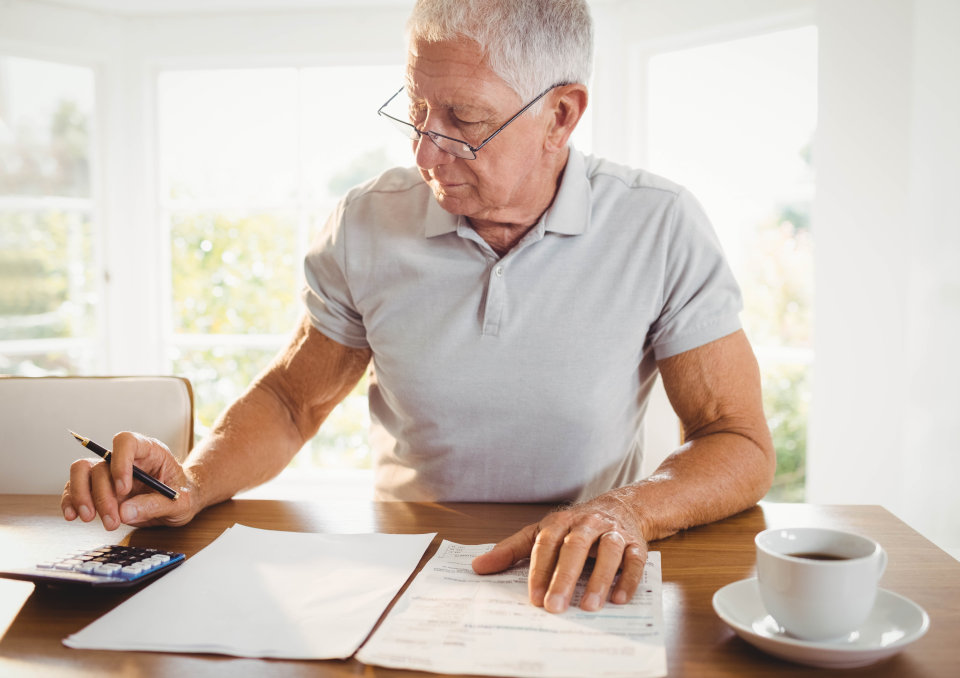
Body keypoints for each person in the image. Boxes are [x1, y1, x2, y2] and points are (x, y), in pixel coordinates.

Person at [61, 0, 775, 615]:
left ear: (561, 114)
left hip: (576, 571)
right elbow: (290, 402)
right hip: (405, 568)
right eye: (416, 107)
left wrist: (628, 510)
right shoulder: (368, 222)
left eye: (464, 118)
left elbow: (736, 440)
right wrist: (191, 482)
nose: (425, 152)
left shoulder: (660, 224)